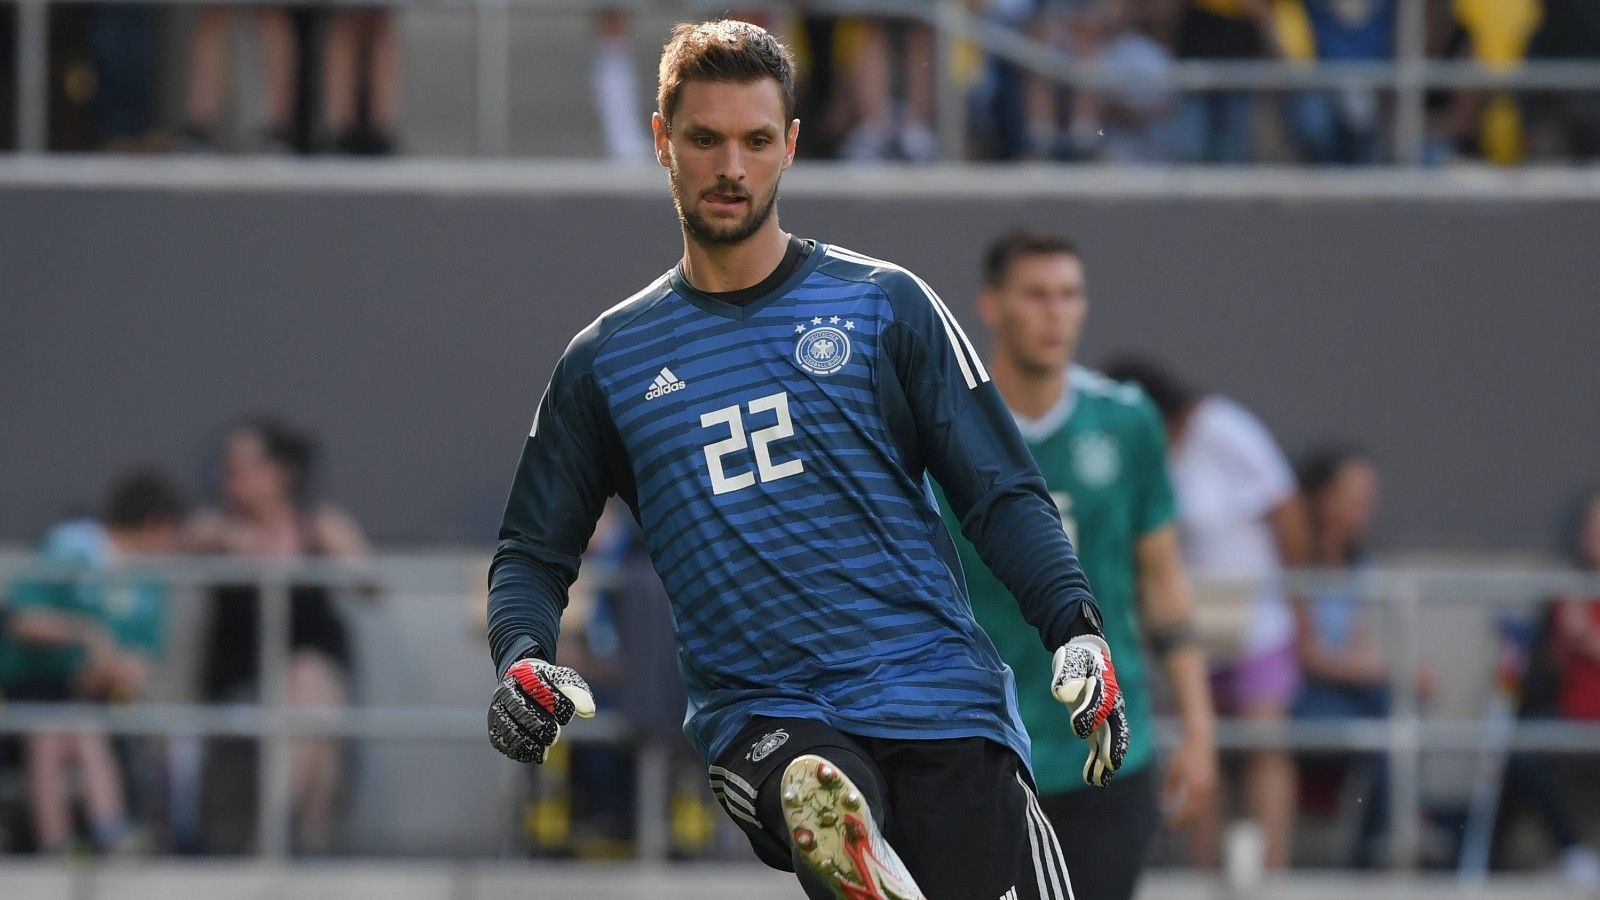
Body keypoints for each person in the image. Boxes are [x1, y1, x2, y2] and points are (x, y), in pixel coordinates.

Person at [484, 20, 1128, 900]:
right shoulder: (606, 363)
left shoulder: (885, 306)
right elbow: (532, 550)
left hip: (940, 700)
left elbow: (1001, 492)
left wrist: (1075, 627)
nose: (731, 168)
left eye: (755, 141)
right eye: (704, 140)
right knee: (813, 791)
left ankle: (867, 858)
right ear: (662, 141)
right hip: (767, 719)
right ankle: (841, 828)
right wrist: (523, 655)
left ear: (791, 145)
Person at [937, 232, 1218, 900]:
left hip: (1110, 752)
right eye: (1034, 295)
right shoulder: (944, 428)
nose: (1054, 313)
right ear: (992, 305)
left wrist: (1200, 730)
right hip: (981, 750)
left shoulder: (1125, 423)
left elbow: (1163, 584)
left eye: (1069, 295)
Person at [1102, 356, 1308, 871]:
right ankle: (1204, 869)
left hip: (1255, 620)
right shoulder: (1138, 449)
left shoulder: (1224, 429)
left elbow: (1287, 512)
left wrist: (1296, 595)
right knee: (1199, 748)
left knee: (1264, 744)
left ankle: (1271, 871)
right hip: (1189, 625)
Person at [186, 418, 368, 854]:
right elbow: (168, 551)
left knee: (310, 682)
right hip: (243, 676)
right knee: (311, 696)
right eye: (228, 466)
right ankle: (297, 838)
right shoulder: (216, 530)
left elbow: (370, 581)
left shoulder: (317, 526)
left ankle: (280, 832)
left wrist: (336, 559)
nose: (233, 476)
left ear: (280, 473)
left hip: (311, 674)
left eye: (245, 465)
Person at [0, 470, 186, 854]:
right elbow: (23, 618)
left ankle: (108, 835)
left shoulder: (148, 580)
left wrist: (115, 669)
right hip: (35, 691)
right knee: (53, 728)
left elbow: (145, 658)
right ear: (156, 523)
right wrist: (87, 634)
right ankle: (61, 846)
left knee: (82, 723)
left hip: (104, 701)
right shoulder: (70, 547)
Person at [1292, 446, 1396, 867]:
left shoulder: (1360, 568)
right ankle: (1378, 849)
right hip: (1296, 693)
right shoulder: (1293, 563)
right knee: (1386, 708)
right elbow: (1306, 655)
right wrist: (1386, 674)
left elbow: (1357, 649)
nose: (1362, 510)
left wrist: (1381, 674)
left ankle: (1382, 843)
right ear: (1322, 498)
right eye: (1352, 497)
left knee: (1391, 709)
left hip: (1342, 692)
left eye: (1368, 499)